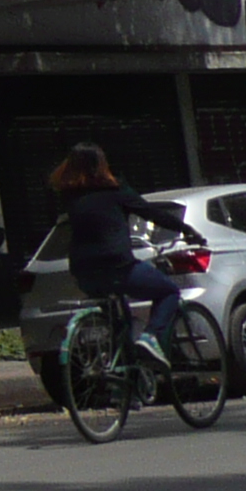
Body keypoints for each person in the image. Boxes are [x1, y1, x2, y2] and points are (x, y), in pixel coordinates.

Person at [49, 142, 196, 364]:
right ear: (101, 165)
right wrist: (186, 230)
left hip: (84, 275)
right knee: (169, 292)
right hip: (118, 268)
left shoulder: (69, 197)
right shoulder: (116, 192)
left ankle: (126, 384)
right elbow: (152, 213)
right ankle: (151, 337)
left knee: (120, 321)